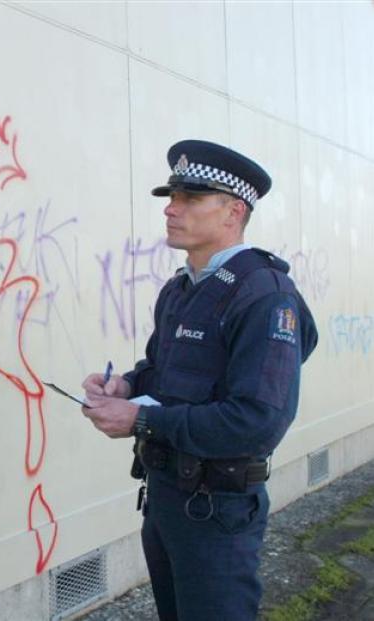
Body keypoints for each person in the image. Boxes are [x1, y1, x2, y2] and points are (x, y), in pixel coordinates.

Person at [80, 139, 318, 620]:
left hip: (219, 511)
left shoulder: (264, 295)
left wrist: (142, 420)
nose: (171, 209)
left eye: (190, 198)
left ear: (233, 211)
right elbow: (160, 371)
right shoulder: (181, 288)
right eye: (172, 197)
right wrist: (125, 386)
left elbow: (257, 422)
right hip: (166, 495)